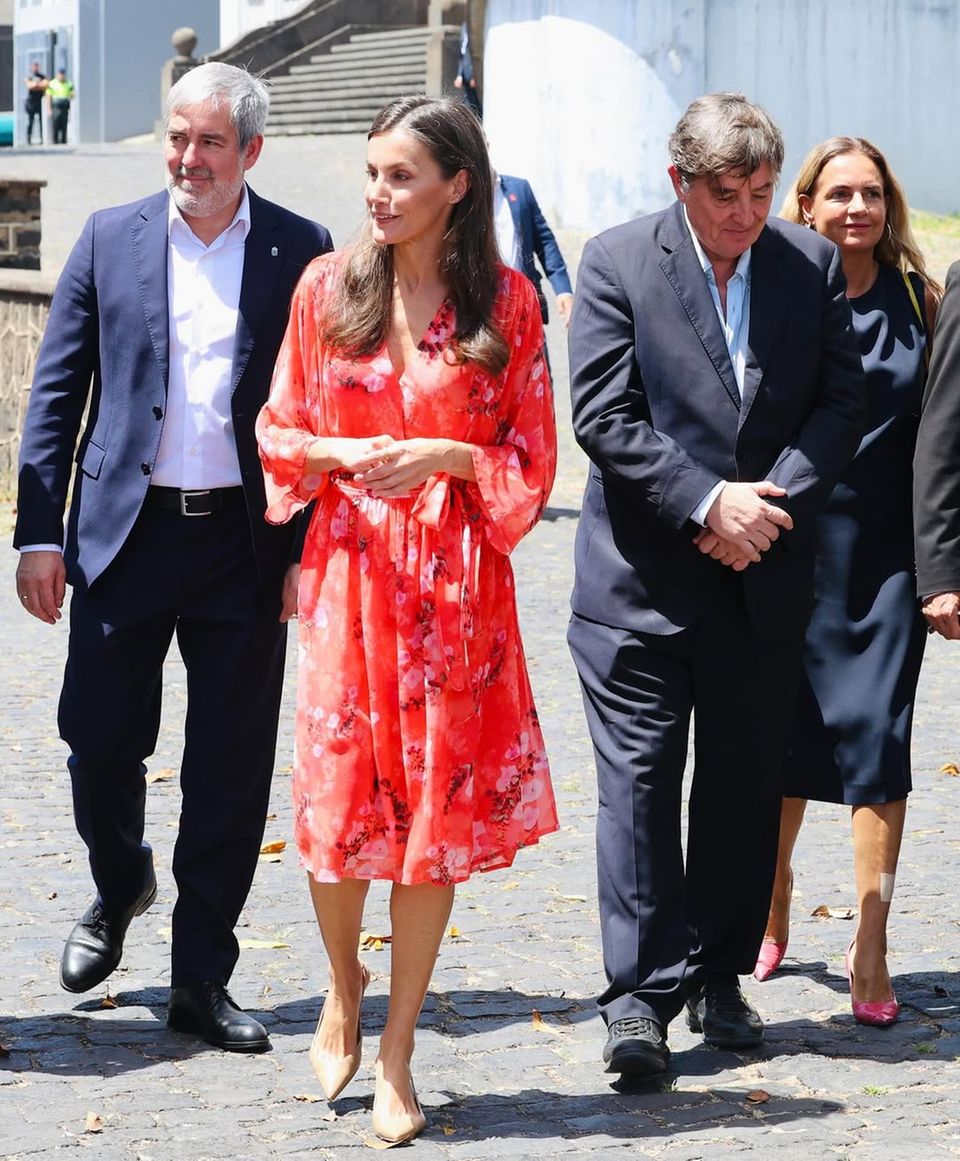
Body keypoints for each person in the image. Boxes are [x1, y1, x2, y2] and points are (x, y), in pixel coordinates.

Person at [13, 62, 332, 1053]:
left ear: (250, 152)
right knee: (99, 739)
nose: (189, 159)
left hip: (244, 542)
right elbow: (57, 390)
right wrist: (38, 532)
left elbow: (321, 409)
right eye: (178, 139)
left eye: (210, 144)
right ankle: (119, 882)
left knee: (231, 767)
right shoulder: (112, 236)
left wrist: (303, 549)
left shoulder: (300, 250)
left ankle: (202, 974)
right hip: (124, 534)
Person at [257, 94, 557, 1143]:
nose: (378, 194)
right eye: (372, 173)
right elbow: (280, 427)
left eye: (401, 176)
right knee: (338, 828)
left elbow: (532, 460)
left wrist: (450, 456)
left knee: (429, 836)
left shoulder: (509, 307)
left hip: (457, 596)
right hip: (348, 575)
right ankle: (343, 983)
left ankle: (397, 1048)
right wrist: (343, 456)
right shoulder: (324, 289)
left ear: (456, 185)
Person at [566, 92, 865, 1078]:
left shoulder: (809, 263)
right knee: (642, 791)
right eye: (725, 193)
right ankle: (641, 997)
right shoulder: (616, 260)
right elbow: (607, 417)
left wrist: (763, 506)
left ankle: (720, 973)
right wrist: (706, 505)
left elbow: (839, 402)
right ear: (679, 183)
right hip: (640, 588)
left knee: (741, 787)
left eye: (762, 192)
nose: (744, 212)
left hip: (762, 578)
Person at [756, 139, 938, 1027]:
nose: (856, 207)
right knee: (785, 740)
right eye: (839, 194)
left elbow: (946, 439)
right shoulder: (779, 293)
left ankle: (871, 941)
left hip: (887, 563)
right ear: (809, 205)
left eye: (871, 192)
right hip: (790, 552)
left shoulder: (921, 299)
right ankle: (772, 893)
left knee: (877, 744)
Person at [494, 169, 574, 328]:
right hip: (487, 313)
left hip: (526, 307)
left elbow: (544, 240)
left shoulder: (519, 188)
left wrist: (563, 289)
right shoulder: (461, 195)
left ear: (487, 145)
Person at [454, 21, 482, 119]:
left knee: (477, 103)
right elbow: (462, 55)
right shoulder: (464, 26)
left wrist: (475, 75)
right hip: (465, 72)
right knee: (469, 102)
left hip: (474, 74)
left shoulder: (476, 28)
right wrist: (459, 75)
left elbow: (476, 54)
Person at [48, 68, 75, 145]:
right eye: (60, 74)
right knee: (56, 124)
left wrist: (71, 95)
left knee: (64, 125)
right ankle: (55, 141)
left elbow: (72, 94)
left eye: (62, 74)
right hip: (56, 106)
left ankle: (63, 141)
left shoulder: (68, 83)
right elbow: (48, 96)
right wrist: (49, 108)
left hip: (65, 106)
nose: (61, 76)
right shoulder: (52, 83)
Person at [24, 61, 47, 145]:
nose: (35, 68)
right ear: (31, 67)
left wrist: (36, 85)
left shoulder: (41, 76)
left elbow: (45, 85)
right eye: (34, 66)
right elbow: (29, 85)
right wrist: (38, 85)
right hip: (31, 103)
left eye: (36, 66)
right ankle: (28, 139)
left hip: (39, 102)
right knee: (30, 121)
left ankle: (42, 138)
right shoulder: (29, 76)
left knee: (42, 121)